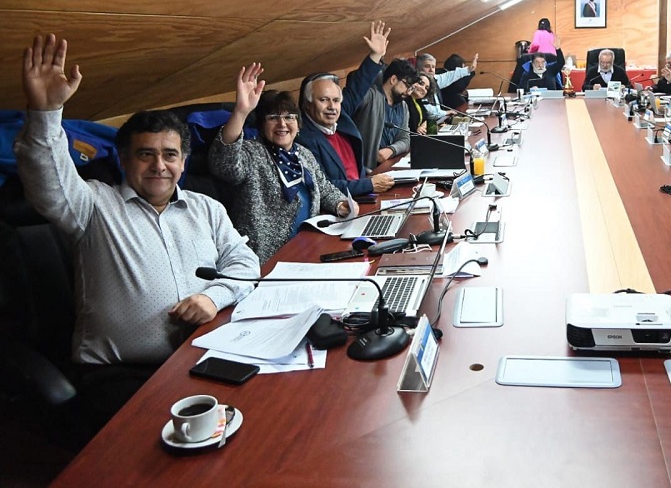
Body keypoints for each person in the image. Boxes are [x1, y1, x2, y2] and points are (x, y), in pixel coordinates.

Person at [15, 34, 260, 428]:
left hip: (202, 356)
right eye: (146, 154)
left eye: (170, 154)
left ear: (183, 160)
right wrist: (46, 111)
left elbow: (246, 265)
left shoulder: (206, 208)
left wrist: (214, 297)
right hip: (122, 377)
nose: (159, 165)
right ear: (125, 160)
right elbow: (47, 180)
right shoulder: (91, 206)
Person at [210, 65, 355, 263]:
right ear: (261, 125)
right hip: (268, 257)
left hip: (309, 243)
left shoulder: (302, 153)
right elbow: (225, 163)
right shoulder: (253, 152)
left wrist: (340, 204)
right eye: (273, 118)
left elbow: (324, 188)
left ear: (298, 123)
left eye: (289, 117)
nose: (283, 124)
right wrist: (241, 112)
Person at [297, 21, 395, 197]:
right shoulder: (303, 138)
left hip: (365, 194)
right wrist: (368, 185)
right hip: (341, 206)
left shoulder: (340, 115)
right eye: (323, 100)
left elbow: (357, 87)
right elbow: (324, 187)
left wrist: (376, 55)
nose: (331, 107)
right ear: (307, 104)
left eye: (335, 100)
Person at [351, 58, 416, 169]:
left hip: (391, 163)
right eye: (407, 86)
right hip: (367, 169)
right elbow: (356, 91)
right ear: (393, 79)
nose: (409, 92)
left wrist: (391, 150)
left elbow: (405, 139)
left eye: (412, 88)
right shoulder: (370, 96)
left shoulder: (403, 106)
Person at [415, 52, 478, 121]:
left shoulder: (435, 79)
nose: (431, 70)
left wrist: (468, 69)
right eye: (427, 66)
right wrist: (445, 112)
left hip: (438, 120)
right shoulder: (419, 86)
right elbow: (431, 112)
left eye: (433, 67)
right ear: (419, 69)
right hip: (427, 124)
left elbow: (450, 76)